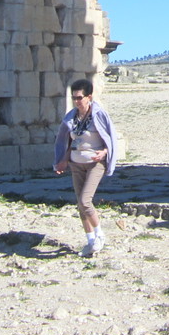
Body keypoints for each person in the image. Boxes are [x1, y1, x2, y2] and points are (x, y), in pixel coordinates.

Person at [52, 78, 118, 257]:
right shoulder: (71, 117)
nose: (76, 101)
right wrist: (62, 160)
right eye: (74, 98)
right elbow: (68, 141)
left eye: (79, 97)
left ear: (89, 97)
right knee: (79, 204)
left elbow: (110, 139)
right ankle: (90, 241)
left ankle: (100, 235)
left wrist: (104, 153)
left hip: (95, 163)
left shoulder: (99, 115)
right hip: (76, 163)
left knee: (85, 201)